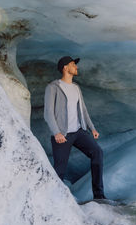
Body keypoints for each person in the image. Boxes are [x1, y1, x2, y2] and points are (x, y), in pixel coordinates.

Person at [44, 56, 106, 199]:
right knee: (60, 169)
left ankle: (99, 195)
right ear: (65, 68)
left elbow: (83, 110)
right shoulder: (53, 87)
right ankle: (53, 199)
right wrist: (57, 133)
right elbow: (48, 113)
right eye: (73, 64)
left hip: (79, 132)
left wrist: (92, 128)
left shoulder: (76, 88)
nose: (76, 67)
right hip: (63, 135)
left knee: (97, 153)